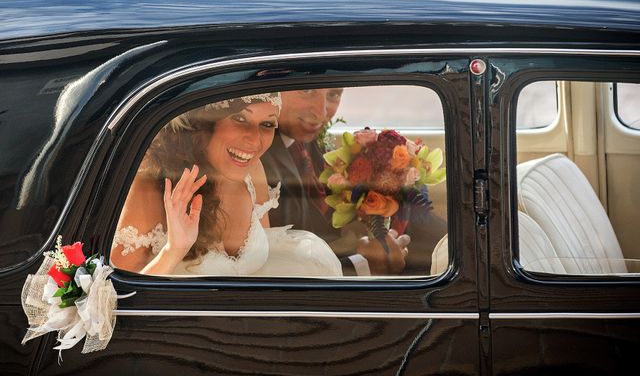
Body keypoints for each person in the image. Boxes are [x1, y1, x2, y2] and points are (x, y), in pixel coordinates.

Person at [111, 93, 342, 277]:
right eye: (240, 119)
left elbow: (268, 258)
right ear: (205, 124)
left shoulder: (254, 172)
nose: (254, 139)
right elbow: (112, 304)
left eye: (267, 124)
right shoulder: (149, 189)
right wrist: (174, 251)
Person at [261, 88, 447, 275]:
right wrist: (365, 264)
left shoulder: (304, 136)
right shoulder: (260, 159)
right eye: (307, 91)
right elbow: (287, 265)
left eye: (333, 94)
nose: (322, 113)